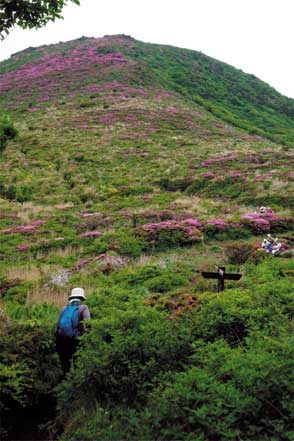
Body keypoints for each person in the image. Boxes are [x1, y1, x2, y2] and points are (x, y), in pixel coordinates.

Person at [56, 287, 90, 374]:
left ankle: (64, 380)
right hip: (75, 339)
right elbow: (88, 323)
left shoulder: (64, 308)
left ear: (71, 298)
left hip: (61, 339)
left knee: (65, 362)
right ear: (81, 298)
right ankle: (75, 380)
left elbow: (58, 324)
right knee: (77, 361)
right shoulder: (83, 308)